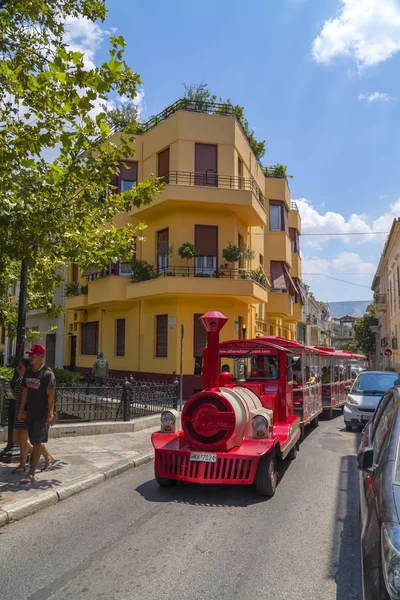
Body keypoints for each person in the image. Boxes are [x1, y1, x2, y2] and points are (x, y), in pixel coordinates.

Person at [17, 344, 55, 484]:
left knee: (37, 443)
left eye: (34, 355)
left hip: (41, 414)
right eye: (30, 355)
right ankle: (48, 458)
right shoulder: (28, 373)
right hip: (30, 413)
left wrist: (50, 414)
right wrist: (21, 410)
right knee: (33, 440)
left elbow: (51, 395)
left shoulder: (47, 374)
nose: (31, 357)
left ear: (42, 356)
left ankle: (31, 473)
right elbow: (25, 392)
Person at [10, 358, 32, 474]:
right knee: (15, 439)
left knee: (23, 440)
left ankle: (23, 465)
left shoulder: (28, 381)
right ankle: (38, 451)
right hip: (18, 412)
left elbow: (30, 399)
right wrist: (8, 392)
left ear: (27, 368)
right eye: (17, 367)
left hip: (25, 413)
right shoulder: (19, 380)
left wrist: (24, 412)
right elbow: (17, 397)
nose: (18, 369)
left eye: (20, 367)